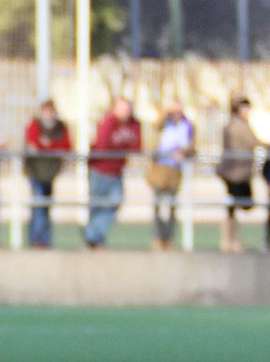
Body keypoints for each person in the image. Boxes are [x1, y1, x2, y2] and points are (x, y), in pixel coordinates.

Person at [82, 96, 142, 248]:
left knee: (115, 201)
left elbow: (137, 147)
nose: (125, 112)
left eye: (127, 108)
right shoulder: (108, 122)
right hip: (99, 170)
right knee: (97, 206)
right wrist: (122, 148)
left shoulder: (134, 124)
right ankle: (95, 240)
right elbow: (103, 146)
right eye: (122, 108)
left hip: (116, 172)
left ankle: (91, 234)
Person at [23, 100, 71, 248]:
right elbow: (33, 144)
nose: (48, 114)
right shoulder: (35, 125)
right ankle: (36, 240)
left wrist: (48, 144)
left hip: (50, 174)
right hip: (36, 173)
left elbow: (66, 145)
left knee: (46, 206)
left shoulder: (60, 127)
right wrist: (47, 145)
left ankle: (45, 240)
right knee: (39, 206)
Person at [216, 97, 259, 253]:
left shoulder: (234, 125)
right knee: (235, 206)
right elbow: (253, 142)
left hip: (236, 171)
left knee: (233, 206)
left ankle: (231, 240)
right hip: (235, 172)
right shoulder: (237, 126)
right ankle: (230, 241)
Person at [150, 100, 194, 250]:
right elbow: (155, 127)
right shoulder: (164, 122)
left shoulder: (187, 125)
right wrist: (165, 110)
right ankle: (158, 237)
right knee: (157, 205)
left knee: (172, 206)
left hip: (176, 169)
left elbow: (192, 146)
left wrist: (183, 152)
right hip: (160, 168)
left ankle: (168, 238)